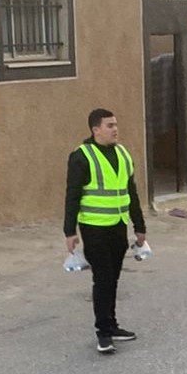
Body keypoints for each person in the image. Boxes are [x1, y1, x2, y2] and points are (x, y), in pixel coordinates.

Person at [65, 108, 148, 355]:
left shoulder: (123, 154)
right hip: (94, 228)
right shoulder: (81, 157)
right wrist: (69, 231)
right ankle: (103, 333)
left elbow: (131, 192)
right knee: (102, 279)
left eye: (116, 124)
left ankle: (112, 325)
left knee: (113, 278)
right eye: (109, 125)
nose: (115, 129)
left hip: (118, 226)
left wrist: (139, 226)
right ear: (96, 130)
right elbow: (72, 195)